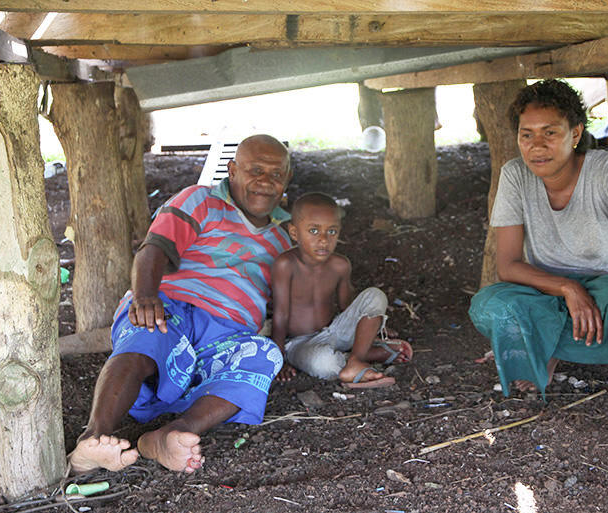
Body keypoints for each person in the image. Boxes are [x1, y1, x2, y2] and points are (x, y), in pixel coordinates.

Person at [68, 134, 293, 474]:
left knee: (264, 356)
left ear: (286, 182)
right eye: (255, 170)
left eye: (276, 174)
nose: (265, 181)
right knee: (147, 333)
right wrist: (145, 295)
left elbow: (291, 300)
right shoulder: (201, 200)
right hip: (173, 308)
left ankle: (174, 433)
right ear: (231, 171)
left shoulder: (282, 239)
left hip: (226, 336)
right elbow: (154, 249)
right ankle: (92, 439)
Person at [468, 80, 608, 399]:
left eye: (550, 132)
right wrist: (570, 288)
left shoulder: (606, 166)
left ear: (576, 133)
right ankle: (550, 349)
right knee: (490, 305)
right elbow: (508, 265)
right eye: (526, 135)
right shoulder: (515, 174)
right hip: (551, 291)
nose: (536, 145)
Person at [271, 192, 412, 387]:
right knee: (324, 363)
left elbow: (348, 305)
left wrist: (374, 324)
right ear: (294, 233)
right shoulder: (285, 265)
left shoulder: (340, 265)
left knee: (375, 295)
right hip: (300, 343)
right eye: (313, 231)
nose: (323, 239)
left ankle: (355, 361)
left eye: (331, 232)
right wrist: (278, 360)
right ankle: (372, 354)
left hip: (335, 331)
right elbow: (280, 314)